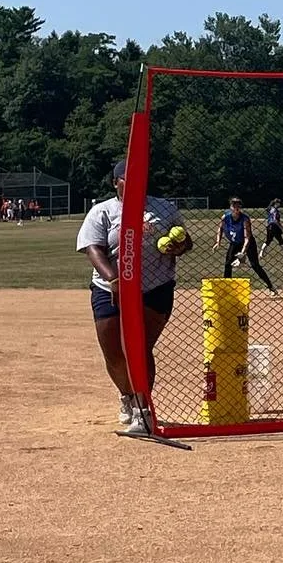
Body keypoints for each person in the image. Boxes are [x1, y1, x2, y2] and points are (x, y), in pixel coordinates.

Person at [76, 160, 192, 432]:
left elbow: (186, 241)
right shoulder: (103, 211)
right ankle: (127, 395)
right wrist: (113, 279)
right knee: (114, 353)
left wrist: (179, 246)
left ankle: (143, 409)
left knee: (139, 348)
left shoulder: (164, 208)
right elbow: (93, 248)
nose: (132, 183)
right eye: (126, 179)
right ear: (115, 183)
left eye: (137, 177)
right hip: (110, 289)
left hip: (155, 287)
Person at [212, 197, 277, 294]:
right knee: (228, 264)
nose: (236, 208)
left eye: (238, 206)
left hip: (248, 243)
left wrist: (242, 253)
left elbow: (247, 238)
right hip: (235, 243)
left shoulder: (244, 219)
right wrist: (218, 241)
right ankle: (227, 288)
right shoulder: (226, 217)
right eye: (234, 205)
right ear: (230, 207)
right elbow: (220, 228)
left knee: (255, 265)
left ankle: (271, 287)